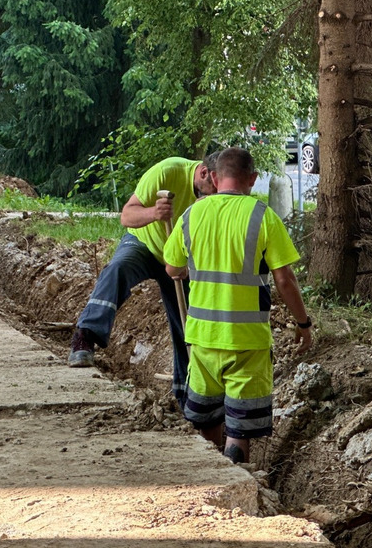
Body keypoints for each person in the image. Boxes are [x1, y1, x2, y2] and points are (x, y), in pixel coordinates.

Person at [162, 146, 313, 464]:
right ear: (253, 179)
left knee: (207, 422)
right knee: (239, 431)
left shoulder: (191, 215)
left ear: (215, 178)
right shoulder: (262, 216)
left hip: (202, 340)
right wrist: (303, 323)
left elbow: (173, 269)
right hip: (247, 342)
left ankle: (212, 478)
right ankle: (237, 479)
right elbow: (285, 280)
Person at [68, 153, 218, 408]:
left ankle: (187, 394)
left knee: (188, 322)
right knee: (118, 269)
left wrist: (188, 265)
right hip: (144, 244)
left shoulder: (216, 200)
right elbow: (127, 216)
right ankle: (86, 335)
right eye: (214, 188)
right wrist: (154, 213)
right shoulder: (167, 171)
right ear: (204, 173)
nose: (216, 195)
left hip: (177, 260)